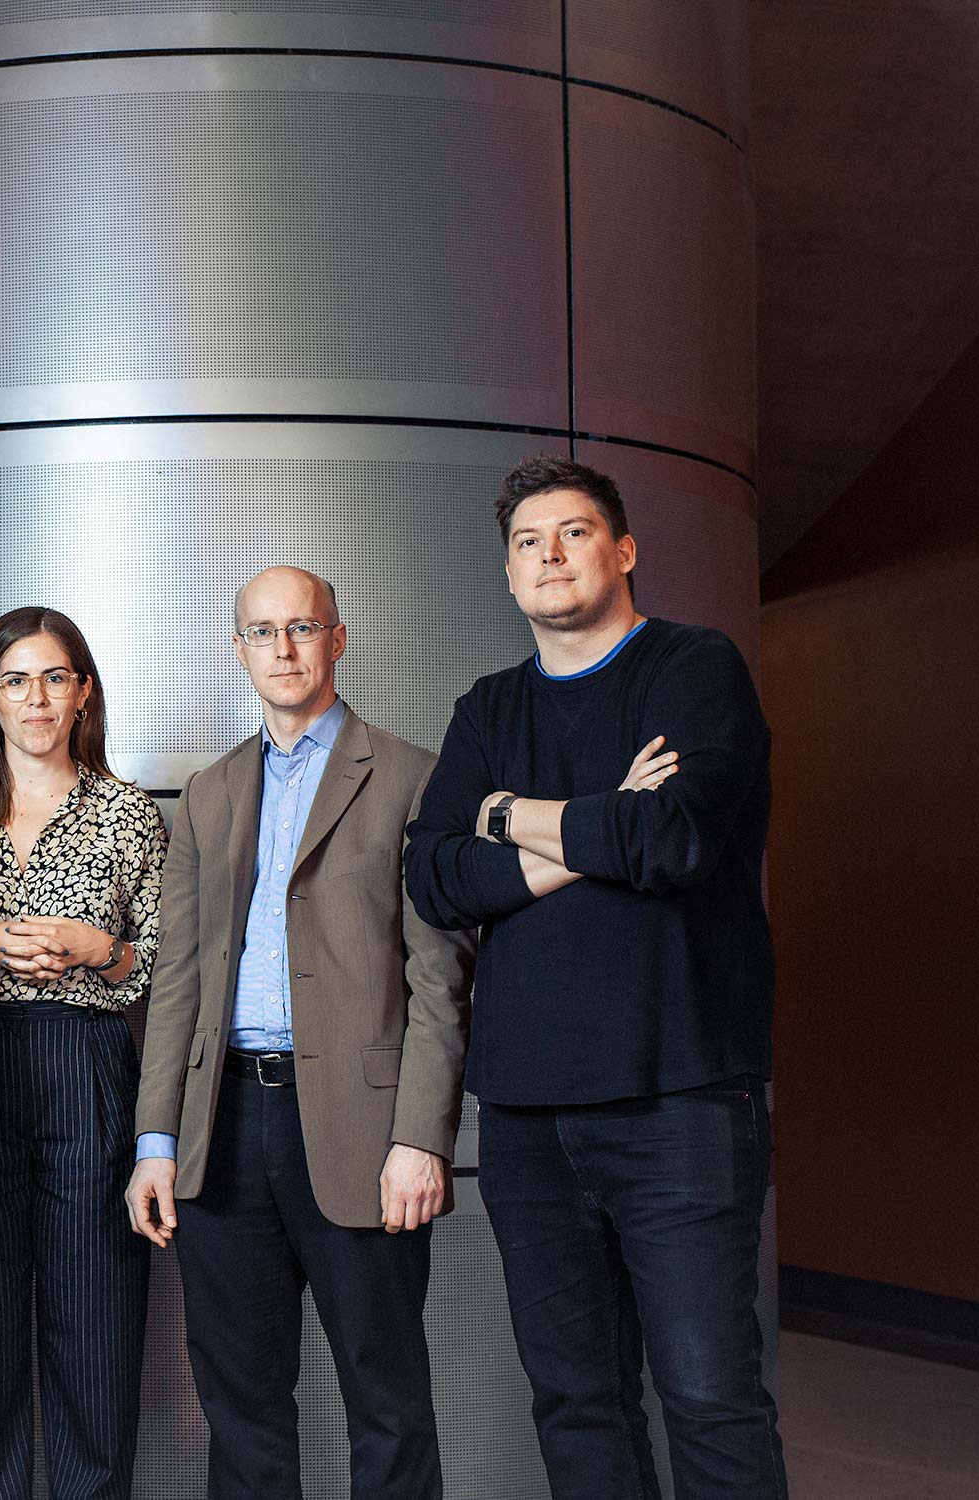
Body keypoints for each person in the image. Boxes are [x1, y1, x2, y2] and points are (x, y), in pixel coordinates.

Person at [401, 454, 786, 1499]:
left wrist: (505, 814)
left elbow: (671, 838)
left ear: (622, 550)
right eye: (528, 541)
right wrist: (596, 820)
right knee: (575, 1401)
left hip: (681, 1103)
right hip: (527, 1116)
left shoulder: (693, 669)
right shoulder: (489, 708)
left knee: (709, 1398)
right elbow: (434, 873)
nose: (550, 554)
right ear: (509, 574)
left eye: (573, 532)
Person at [125, 566, 474, 1500]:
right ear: (238, 649)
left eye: (303, 628)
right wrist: (157, 1142)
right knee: (242, 1413)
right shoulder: (209, 793)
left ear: (338, 639)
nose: (283, 649)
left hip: (364, 1136)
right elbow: (178, 982)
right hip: (224, 1130)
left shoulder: (410, 777)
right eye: (263, 632)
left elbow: (438, 977)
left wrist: (418, 1139)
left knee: (388, 1405)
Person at [0, 607, 166, 1500]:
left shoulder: (128, 814)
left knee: (94, 1330)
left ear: (84, 691)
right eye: (15, 679)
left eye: (56, 677)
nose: (36, 697)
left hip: (89, 1066)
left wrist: (102, 950)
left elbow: (170, 964)